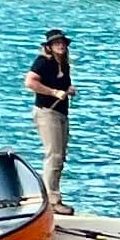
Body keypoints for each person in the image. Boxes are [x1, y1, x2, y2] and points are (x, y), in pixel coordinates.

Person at [26, 28, 73, 203]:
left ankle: (54, 195)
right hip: (47, 112)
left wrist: (68, 90)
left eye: (62, 43)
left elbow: (63, 85)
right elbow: (30, 82)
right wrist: (54, 92)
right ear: (49, 46)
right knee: (53, 155)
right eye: (57, 43)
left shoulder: (63, 64)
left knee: (60, 156)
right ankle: (51, 199)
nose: (60, 46)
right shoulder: (43, 62)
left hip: (61, 113)